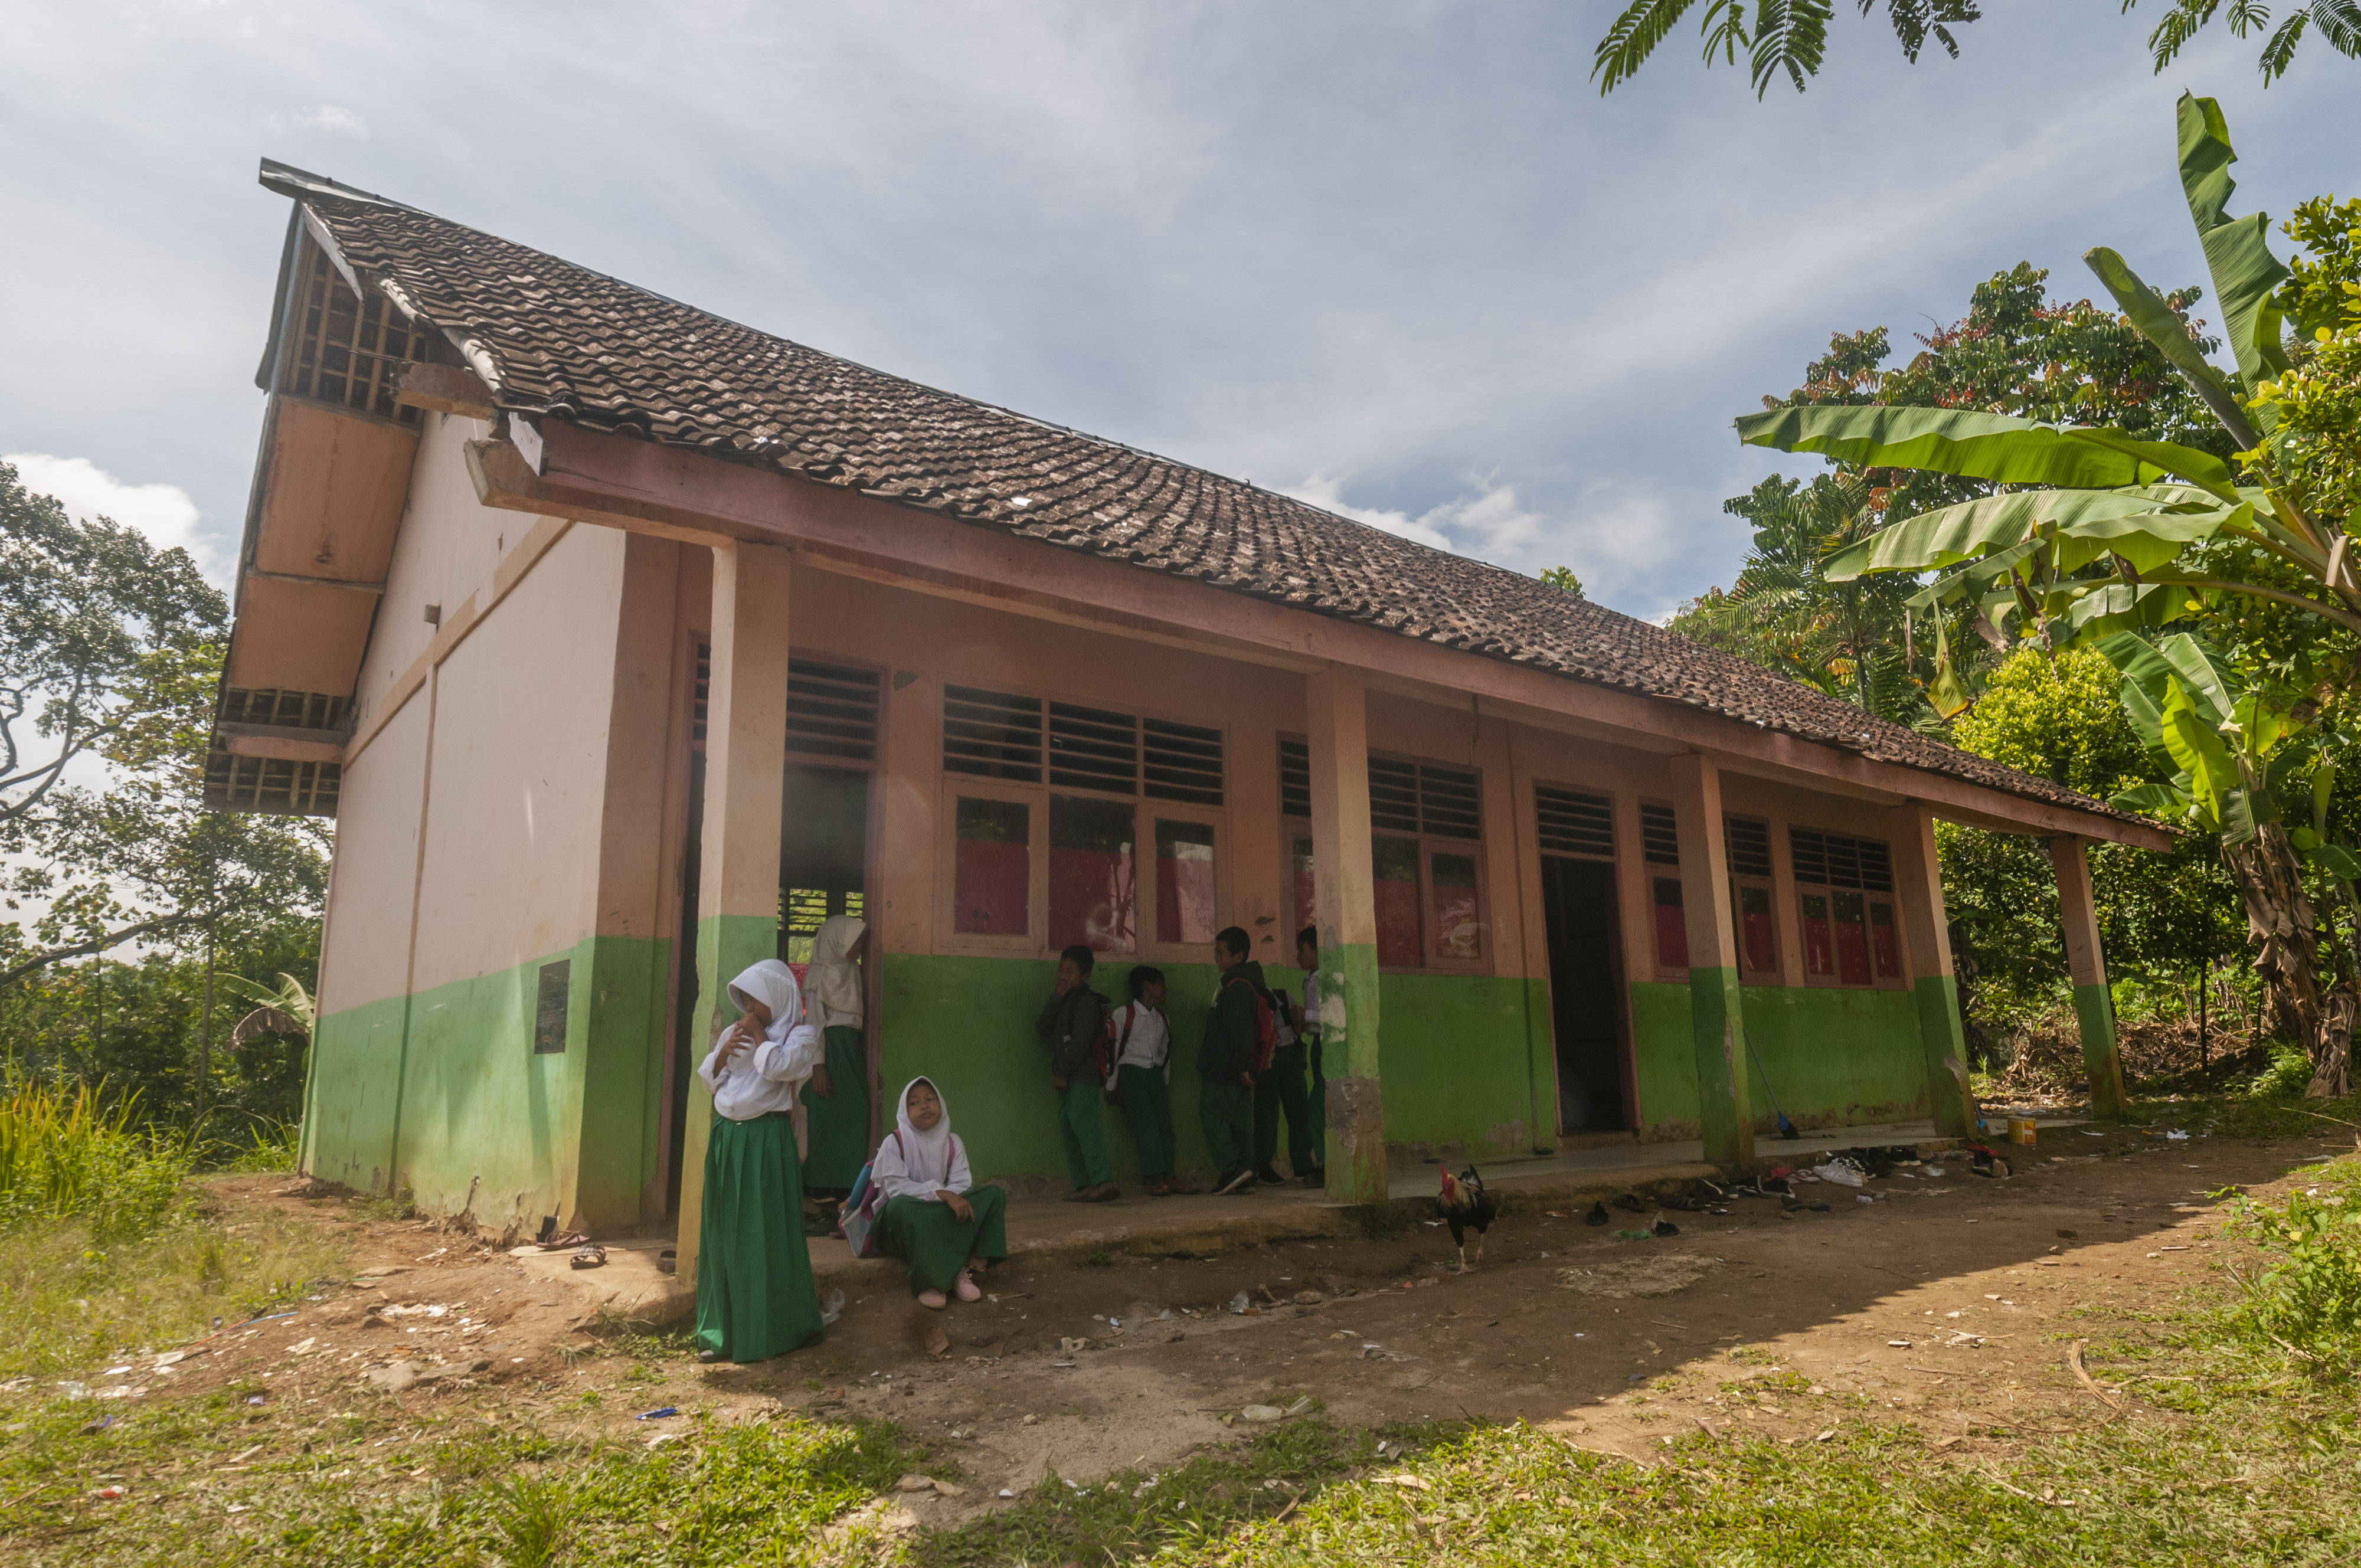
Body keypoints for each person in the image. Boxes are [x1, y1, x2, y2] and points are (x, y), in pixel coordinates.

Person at [693, 959, 826, 1365]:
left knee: (766, 1233)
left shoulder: (801, 1035)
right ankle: (724, 1332)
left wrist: (759, 1034)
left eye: (756, 998)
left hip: (767, 1140)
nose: (748, 1006)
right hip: (728, 1139)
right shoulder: (739, 1032)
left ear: (778, 997)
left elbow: (780, 1068)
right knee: (725, 1233)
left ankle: (774, 1330)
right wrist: (723, 1054)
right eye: (745, 998)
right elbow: (710, 1077)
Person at [871, 1077, 1009, 1308]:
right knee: (900, 1206)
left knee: (993, 1195)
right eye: (914, 1103)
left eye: (930, 1099)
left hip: (941, 1216)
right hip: (904, 1222)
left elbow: (962, 1184)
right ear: (904, 1112)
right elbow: (896, 1189)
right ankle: (929, 1282)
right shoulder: (895, 1142)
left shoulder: (953, 1142)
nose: (924, 1106)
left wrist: (949, 1198)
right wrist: (941, 1195)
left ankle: (961, 1266)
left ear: (941, 1104)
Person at [800, 914, 872, 1235]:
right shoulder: (819, 976)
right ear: (838, 941)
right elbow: (814, 1023)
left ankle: (846, 1195)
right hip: (830, 1053)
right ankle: (820, 1197)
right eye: (856, 940)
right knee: (829, 1120)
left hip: (850, 1051)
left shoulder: (851, 972)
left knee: (858, 1113)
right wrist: (819, 1066)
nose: (860, 946)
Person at [1036, 944, 1119, 1202]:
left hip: (1082, 1077)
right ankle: (1084, 1186)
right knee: (1069, 1131)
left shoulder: (1088, 1003)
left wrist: (1064, 1073)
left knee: (1087, 1129)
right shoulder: (1063, 1000)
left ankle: (1103, 1181)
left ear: (1085, 976)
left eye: (1070, 971)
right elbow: (1042, 1029)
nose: (1063, 976)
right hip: (1067, 1079)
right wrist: (1056, 999)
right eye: (1061, 970)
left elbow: (1081, 1042)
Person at [1108, 965, 1194, 1197]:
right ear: (1147, 987)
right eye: (1160, 984)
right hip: (1132, 1075)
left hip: (1154, 1076)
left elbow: (1165, 1053)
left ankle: (1170, 1175)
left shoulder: (1163, 1019)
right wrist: (1111, 1086)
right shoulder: (1123, 1014)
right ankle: (1155, 1177)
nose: (1165, 990)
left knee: (1166, 1126)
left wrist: (1162, 1081)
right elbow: (1114, 1052)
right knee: (1146, 1126)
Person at [1201, 926, 1270, 1195]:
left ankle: (1232, 1168)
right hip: (1237, 1068)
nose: (1216, 957)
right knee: (1241, 1123)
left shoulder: (1237, 988)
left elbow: (1240, 1030)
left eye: (1221, 953)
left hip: (1225, 1069)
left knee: (1213, 1116)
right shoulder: (1245, 984)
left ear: (1239, 956)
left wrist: (1242, 1066)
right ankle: (1246, 1173)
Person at [1254, 933, 1319, 1189]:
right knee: (1267, 1114)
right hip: (1268, 1060)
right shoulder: (1251, 1000)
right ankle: (1264, 1165)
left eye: (1301, 950)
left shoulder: (1286, 995)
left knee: (1299, 1110)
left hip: (1290, 1055)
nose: (1296, 956)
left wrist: (1299, 1024)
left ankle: (1303, 1164)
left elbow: (1299, 1026)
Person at [1296, 926, 1328, 1187]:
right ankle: (1324, 1163)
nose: (1298, 955)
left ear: (1317, 950)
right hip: (1318, 1043)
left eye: (1303, 950)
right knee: (1319, 1106)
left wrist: (1304, 1016)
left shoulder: (1327, 979)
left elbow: (1336, 1018)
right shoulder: (1311, 979)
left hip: (1331, 1045)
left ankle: (1327, 1165)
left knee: (1318, 1107)